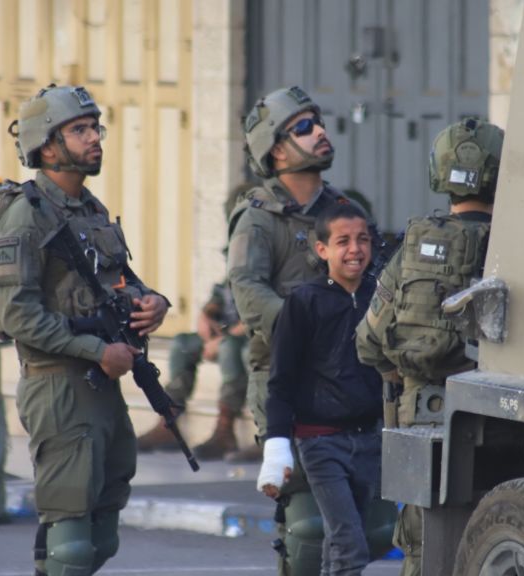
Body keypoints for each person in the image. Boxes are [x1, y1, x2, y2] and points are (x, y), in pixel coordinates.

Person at [0, 84, 169, 576]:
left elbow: (120, 282)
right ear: (47, 145)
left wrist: (153, 304)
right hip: (58, 386)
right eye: (80, 129)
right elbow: (15, 315)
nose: (95, 138)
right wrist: (94, 348)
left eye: (95, 128)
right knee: (71, 546)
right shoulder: (24, 216)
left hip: (104, 384)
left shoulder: (90, 211)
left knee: (101, 538)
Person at [228, 85, 388, 575]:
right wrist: (310, 334)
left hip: (356, 384)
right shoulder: (258, 219)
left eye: (317, 122)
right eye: (303, 127)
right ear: (276, 149)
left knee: (373, 528)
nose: (320, 132)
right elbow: (248, 291)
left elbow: (377, 283)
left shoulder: (343, 211)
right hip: (292, 384)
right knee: (309, 529)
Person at [356, 118, 504, 576]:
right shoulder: (514, 244)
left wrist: (401, 373)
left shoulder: (417, 247)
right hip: (500, 419)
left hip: (421, 412)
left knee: (424, 546)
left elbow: (368, 340)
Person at [257, 204, 383, 576]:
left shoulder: (381, 296)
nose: (355, 249)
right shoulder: (304, 301)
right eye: (342, 241)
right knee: (349, 543)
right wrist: (276, 447)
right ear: (321, 249)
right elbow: (281, 380)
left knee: (348, 540)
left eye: (362, 240)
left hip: (369, 440)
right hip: (320, 442)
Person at [135, 282, 251, 460]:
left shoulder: (263, 262)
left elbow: (257, 314)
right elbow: (219, 297)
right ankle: (168, 422)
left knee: (229, 348)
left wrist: (224, 339)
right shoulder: (234, 262)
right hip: (224, 335)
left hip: (248, 338)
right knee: (183, 343)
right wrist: (205, 316)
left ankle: (225, 429)